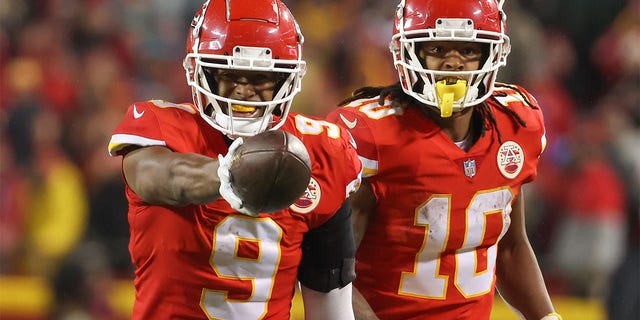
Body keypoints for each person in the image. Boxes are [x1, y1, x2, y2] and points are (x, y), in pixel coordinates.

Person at [107, 0, 362, 319]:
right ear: (199, 70)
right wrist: (228, 174)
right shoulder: (161, 125)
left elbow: (330, 308)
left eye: (261, 78)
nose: (244, 91)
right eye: (229, 74)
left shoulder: (323, 151)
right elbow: (160, 177)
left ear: (289, 78)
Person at [327, 0, 561, 319]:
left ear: (492, 53)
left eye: (467, 50)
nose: (453, 63)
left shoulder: (516, 123)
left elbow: (509, 248)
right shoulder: (374, 136)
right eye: (438, 49)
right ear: (409, 52)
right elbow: (330, 268)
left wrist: (547, 317)